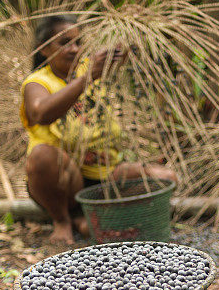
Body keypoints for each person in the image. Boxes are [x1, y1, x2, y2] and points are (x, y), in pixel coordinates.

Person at [20, 15, 177, 244]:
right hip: (65, 180)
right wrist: (87, 78)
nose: (74, 49)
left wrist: (137, 22)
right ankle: (63, 219)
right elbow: (40, 113)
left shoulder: (91, 67)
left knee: (166, 178)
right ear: (44, 50)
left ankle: (89, 219)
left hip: (105, 176)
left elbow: (127, 48)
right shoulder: (38, 82)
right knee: (42, 156)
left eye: (78, 42)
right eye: (64, 43)